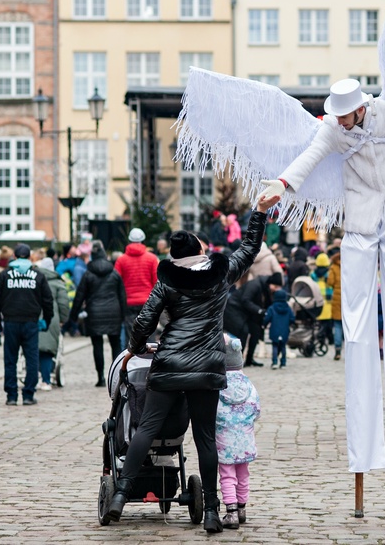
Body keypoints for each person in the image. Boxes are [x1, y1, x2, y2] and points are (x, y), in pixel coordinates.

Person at [257, 78, 385, 477]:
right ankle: (365, 451)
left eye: (344, 116)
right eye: (335, 117)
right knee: (355, 319)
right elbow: (311, 155)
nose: (339, 122)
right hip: (359, 221)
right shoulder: (332, 129)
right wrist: (282, 184)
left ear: (359, 108)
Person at [106, 194, 277, 533]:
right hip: (207, 366)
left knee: (147, 428)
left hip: (169, 363)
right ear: (200, 251)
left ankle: (121, 495)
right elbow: (249, 249)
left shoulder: (167, 280)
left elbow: (144, 321)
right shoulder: (220, 272)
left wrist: (133, 349)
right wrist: (258, 212)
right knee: (205, 439)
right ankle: (211, 512)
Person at [0, 243, 53, 406]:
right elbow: (47, 300)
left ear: (15, 257)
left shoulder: (5, 275)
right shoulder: (38, 275)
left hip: (10, 321)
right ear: (30, 257)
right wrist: (47, 319)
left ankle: (11, 395)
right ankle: (28, 394)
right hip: (31, 322)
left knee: (10, 359)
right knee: (32, 358)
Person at [217, 333, 261, 529]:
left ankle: (231, 512)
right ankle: (242, 509)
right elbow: (256, 408)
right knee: (243, 474)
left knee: (227, 474)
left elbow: (214, 411)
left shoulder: (219, 384)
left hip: (225, 438)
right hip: (245, 439)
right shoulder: (248, 384)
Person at [69, 240, 127, 387]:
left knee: (97, 345)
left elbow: (79, 296)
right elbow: (122, 296)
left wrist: (73, 316)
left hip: (94, 312)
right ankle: (117, 375)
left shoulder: (88, 274)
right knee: (116, 345)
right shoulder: (114, 274)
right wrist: (124, 314)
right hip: (113, 311)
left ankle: (100, 377)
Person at [224, 272, 283, 367]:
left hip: (247, 312)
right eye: (275, 286)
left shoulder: (266, 288)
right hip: (234, 309)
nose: (276, 289)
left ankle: (249, 359)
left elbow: (267, 304)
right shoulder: (254, 285)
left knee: (256, 331)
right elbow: (245, 300)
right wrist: (259, 310)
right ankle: (238, 360)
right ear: (270, 283)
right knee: (243, 331)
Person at [114, 227, 159, 345]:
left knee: (131, 337)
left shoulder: (121, 260)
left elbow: (116, 282)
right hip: (147, 302)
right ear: (143, 241)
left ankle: (131, 361)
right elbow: (156, 282)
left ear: (129, 241)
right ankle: (149, 362)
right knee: (149, 335)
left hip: (128, 303)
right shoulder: (152, 259)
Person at [35, 258, 70, 391]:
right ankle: (46, 379)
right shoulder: (58, 283)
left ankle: (35, 378)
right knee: (48, 350)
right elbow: (63, 304)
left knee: (34, 349)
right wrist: (63, 320)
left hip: (34, 317)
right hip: (52, 319)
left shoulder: (34, 280)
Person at [263, 289, 294, 370]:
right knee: (283, 346)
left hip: (274, 329)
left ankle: (274, 362)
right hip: (285, 330)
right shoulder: (288, 308)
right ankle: (283, 363)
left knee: (275, 346)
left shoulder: (272, 308)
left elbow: (267, 318)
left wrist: (264, 325)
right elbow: (292, 319)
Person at [326, 248, 343, 360]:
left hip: (337, 298)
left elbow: (330, 282)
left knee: (337, 325)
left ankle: (337, 349)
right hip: (349, 298)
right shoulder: (350, 265)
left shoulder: (333, 267)